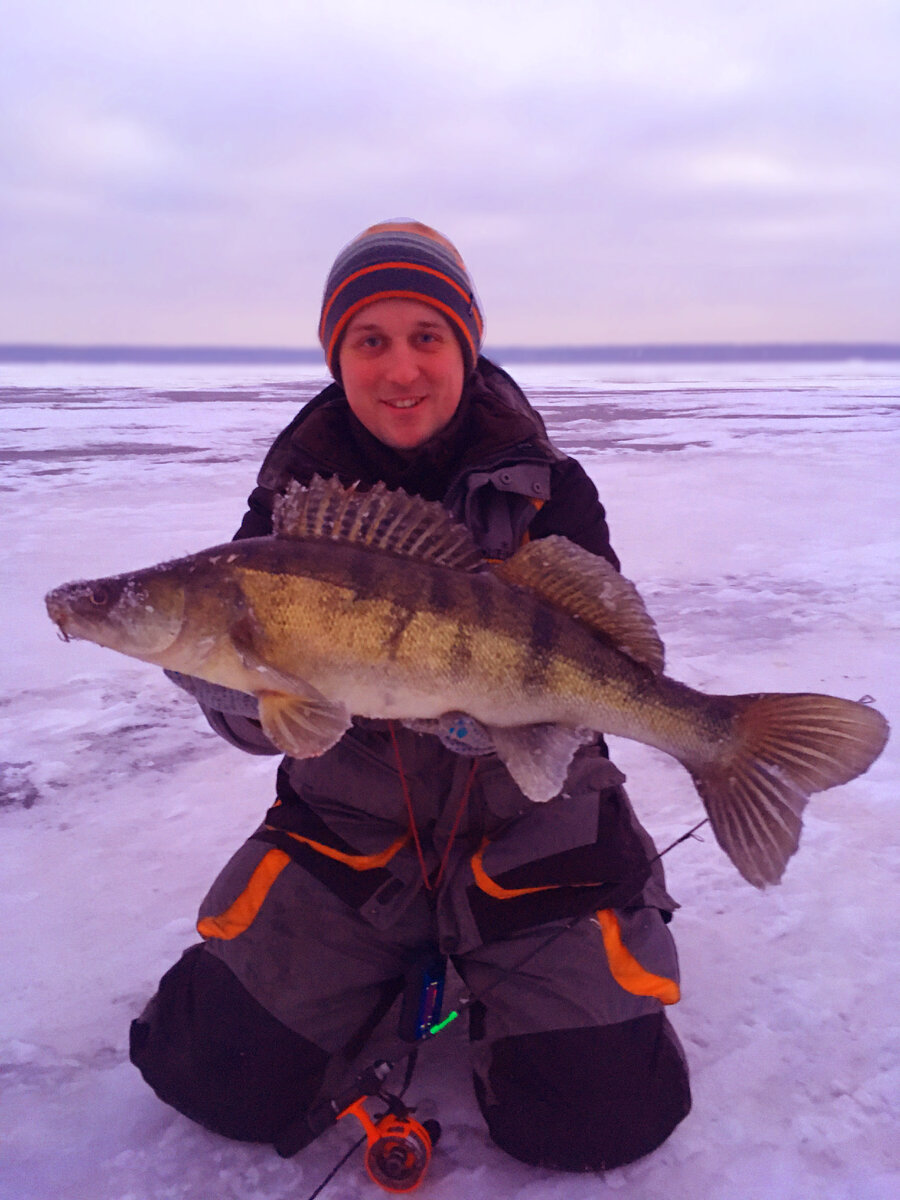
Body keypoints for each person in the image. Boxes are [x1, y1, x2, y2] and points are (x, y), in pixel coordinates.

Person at [129, 220, 691, 1172]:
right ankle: (388, 962)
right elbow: (269, 711)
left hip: (536, 835)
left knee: (601, 1116)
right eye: (370, 340)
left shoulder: (553, 489)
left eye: (426, 337)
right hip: (354, 837)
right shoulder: (289, 502)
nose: (400, 370)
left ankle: (497, 974)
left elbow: (594, 663)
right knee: (208, 1071)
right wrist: (231, 697)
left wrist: (514, 720)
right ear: (336, 354)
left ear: (465, 349)